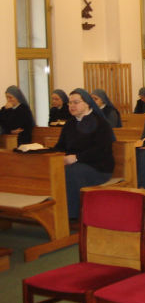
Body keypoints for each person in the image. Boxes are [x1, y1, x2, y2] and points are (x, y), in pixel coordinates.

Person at [51, 89, 114, 218]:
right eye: (70, 103)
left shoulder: (101, 123)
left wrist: (76, 158)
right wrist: (46, 153)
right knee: (54, 169)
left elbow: (100, 150)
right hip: (75, 165)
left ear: (87, 104)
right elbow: (60, 146)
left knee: (71, 171)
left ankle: (72, 216)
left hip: (98, 168)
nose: (72, 106)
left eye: (76, 102)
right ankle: (56, 212)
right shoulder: (70, 123)